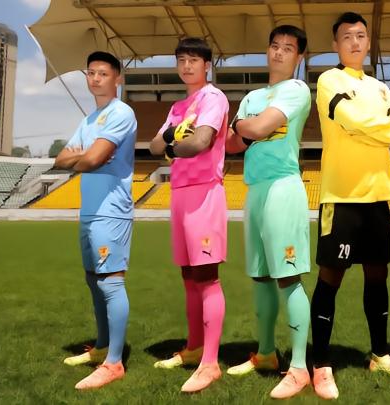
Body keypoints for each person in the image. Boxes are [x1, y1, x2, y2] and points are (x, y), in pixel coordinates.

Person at [310, 11, 390, 400]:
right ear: (336, 44)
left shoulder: (381, 87)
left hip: (378, 195)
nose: (354, 42)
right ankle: (321, 363)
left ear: (368, 42)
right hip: (341, 194)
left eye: (360, 36)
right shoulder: (328, 80)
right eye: (347, 37)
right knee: (330, 277)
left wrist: (366, 128)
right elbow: (348, 119)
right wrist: (376, 128)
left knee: (378, 275)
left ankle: (380, 355)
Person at [224, 25, 312, 399]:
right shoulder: (252, 96)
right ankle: (265, 354)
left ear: (299, 57)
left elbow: (256, 128)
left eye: (288, 48)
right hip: (255, 190)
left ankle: (299, 368)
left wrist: (242, 125)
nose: (278, 52)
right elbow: (233, 145)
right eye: (274, 46)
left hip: (282, 188)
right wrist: (243, 128)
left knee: (287, 277)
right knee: (260, 277)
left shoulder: (297, 89)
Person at [149, 37, 229, 393]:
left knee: (206, 275)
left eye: (193, 60)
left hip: (204, 192)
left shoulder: (213, 98)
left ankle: (210, 363)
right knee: (188, 275)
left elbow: (200, 142)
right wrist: (171, 138)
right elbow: (154, 145)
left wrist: (171, 147)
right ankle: (194, 347)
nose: (186, 65)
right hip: (179, 192)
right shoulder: (178, 106)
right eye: (181, 59)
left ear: (206, 65)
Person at [55, 51, 137, 390]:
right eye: (90, 73)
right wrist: (84, 156)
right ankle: (102, 347)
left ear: (117, 78)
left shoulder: (122, 112)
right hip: (89, 209)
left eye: (103, 73)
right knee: (93, 280)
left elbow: (92, 160)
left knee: (110, 281)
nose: (95, 78)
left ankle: (114, 363)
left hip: (111, 209)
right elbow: (61, 158)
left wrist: (84, 157)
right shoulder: (88, 120)